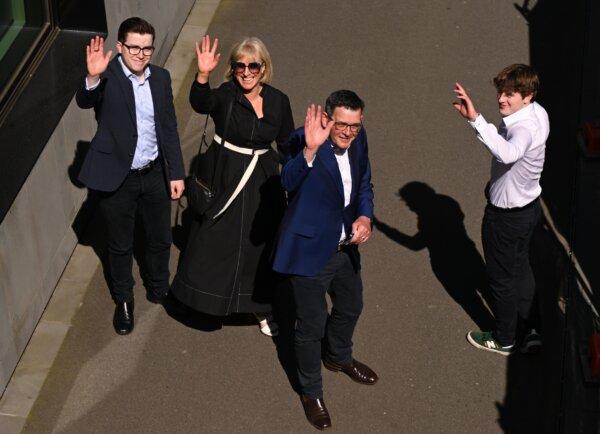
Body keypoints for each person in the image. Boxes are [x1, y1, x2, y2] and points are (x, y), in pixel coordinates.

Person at [170, 35, 294, 336]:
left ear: (264, 68)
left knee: (258, 245)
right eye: (241, 66)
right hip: (225, 178)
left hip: (262, 182)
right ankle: (197, 302)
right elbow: (200, 103)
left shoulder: (278, 100)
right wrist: (202, 74)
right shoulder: (226, 95)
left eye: (254, 65)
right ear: (233, 68)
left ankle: (260, 308)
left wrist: (305, 162)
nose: (247, 72)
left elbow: (288, 143)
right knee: (211, 243)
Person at [272, 91, 378, 430]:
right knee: (311, 325)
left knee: (351, 305)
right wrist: (311, 149)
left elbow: (364, 184)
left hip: (344, 247)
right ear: (328, 119)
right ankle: (311, 392)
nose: (348, 133)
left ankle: (338, 357)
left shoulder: (359, 141)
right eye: (342, 125)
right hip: (307, 252)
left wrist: (365, 217)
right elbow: (287, 181)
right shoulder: (305, 140)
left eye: (355, 126)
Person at [76, 17, 185, 335]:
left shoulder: (161, 79)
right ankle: (124, 301)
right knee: (120, 245)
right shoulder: (106, 76)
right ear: (121, 47)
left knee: (160, 237)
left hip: (153, 174)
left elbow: (168, 127)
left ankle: (160, 288)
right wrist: (91, 78)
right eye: (133, 47)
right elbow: (85, 100)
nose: (140, 54)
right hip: (117, 177)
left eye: (146, 48)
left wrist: (175, 172)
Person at [452, 64, 549, 355]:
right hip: (529, 208)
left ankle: (505, 339)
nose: (501, 99)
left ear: (527, 95)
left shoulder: (522, 127)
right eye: (500, 92)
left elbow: (508, 153)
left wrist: (476, 120)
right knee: (521, 268)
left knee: (500, 279)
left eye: (510, 94)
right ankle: (531, 328)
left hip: (506, 219)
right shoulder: (537, 113)